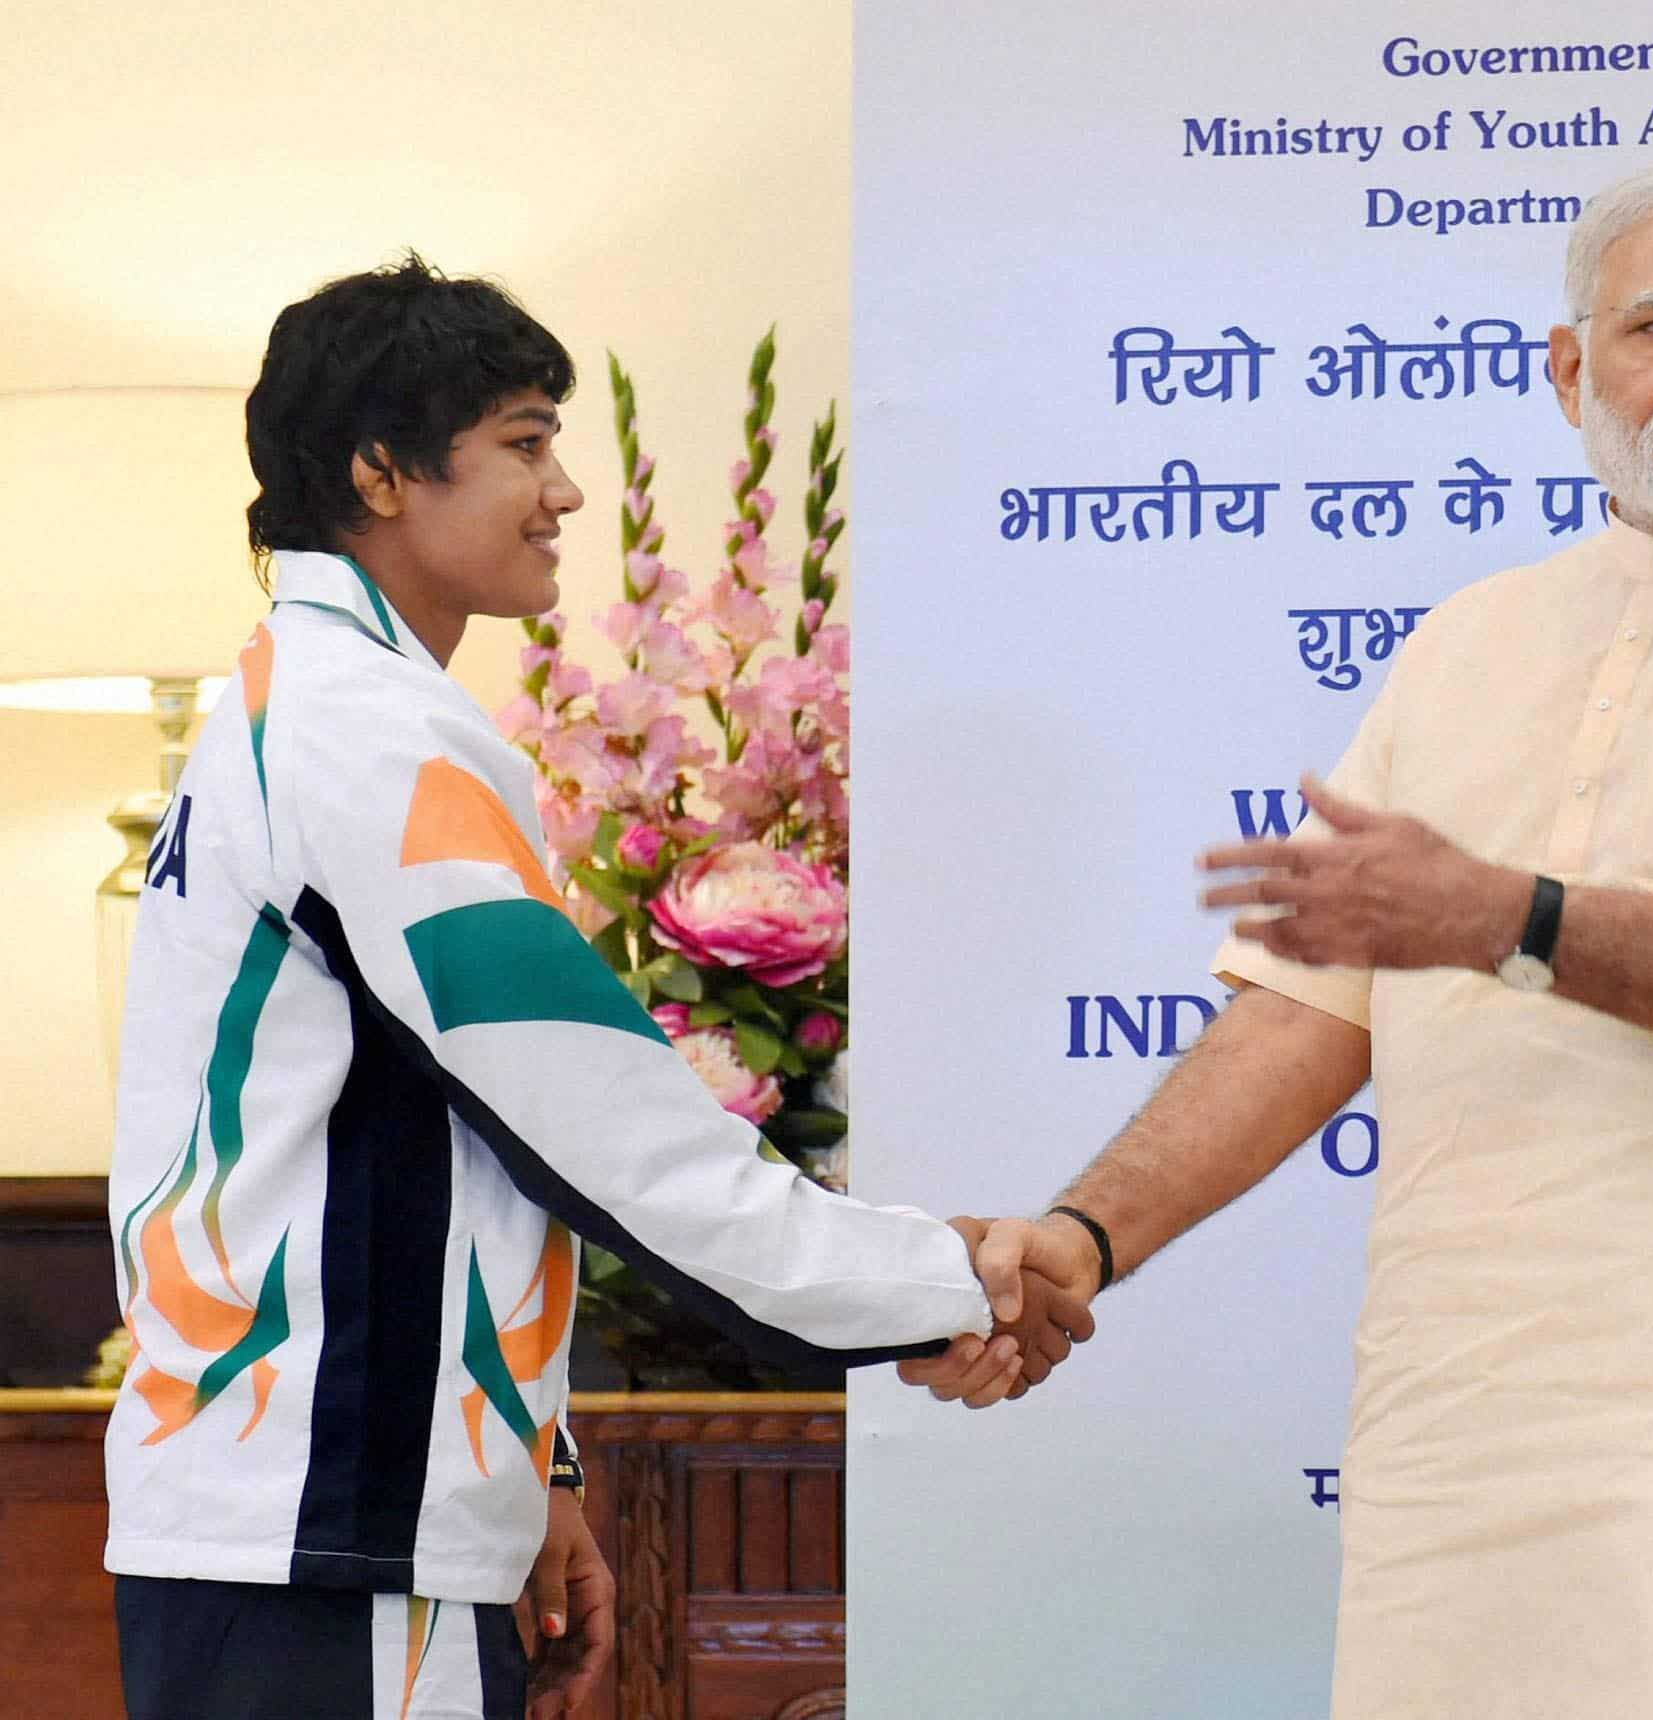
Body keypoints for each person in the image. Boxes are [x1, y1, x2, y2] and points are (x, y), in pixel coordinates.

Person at [909, 164, 1653, 1719]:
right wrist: (1084, 1238)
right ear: (1573, 370)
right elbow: (1309, 1011)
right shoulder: (1465, 644)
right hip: (1467, 1443)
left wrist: (1518, 921)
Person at [103, 255, 1087, 1720]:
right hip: (334, 1554)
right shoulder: (371, 740)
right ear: (381, 469)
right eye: (522, 441)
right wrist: (955, 1278)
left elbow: (450, 1148)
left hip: (307, 1535)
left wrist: (535, 1470)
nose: (565, 491)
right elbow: (614, 1133)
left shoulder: (301, 704)